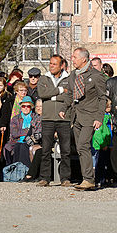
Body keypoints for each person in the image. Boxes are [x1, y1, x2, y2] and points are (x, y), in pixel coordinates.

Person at [68, 47, 107, 190]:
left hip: (90, 116)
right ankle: (87, 178)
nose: (72, 59)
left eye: (74, 57)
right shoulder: (73, 75)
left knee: (83, 145)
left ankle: (89, 179)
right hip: (76, 115)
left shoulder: (96, 75)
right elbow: (69, 94)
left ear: (83, 59)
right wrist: (63, 109)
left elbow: (102, 98)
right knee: (80, 147)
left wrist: (99, 118)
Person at [36, 54, 74, 186]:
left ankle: (65, 178)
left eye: (54, 64)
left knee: (65, 150)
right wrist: (60, 90)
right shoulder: (43, 78)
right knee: (45, 149)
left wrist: (52, 96)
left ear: (61, 65)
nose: (51, 66)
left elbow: (70, 96)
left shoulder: (68, 78)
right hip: (47, 118)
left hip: (64, 119)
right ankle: (44, 178)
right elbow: (42, 94)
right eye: (50, 63)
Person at [4, 95, 42, 166]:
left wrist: (24, 133)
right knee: (10, 147)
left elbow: (36, 131)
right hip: (16, 140)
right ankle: (15, 169)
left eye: (28, 106)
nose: (26, 108)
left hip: (31, 140)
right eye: (24, 106)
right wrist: (26, 131)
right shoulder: (15, 118)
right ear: (21, 107)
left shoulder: (36, 117)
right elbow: (14, 133)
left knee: (22, 146)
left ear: (31, 107)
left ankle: (25, 170)